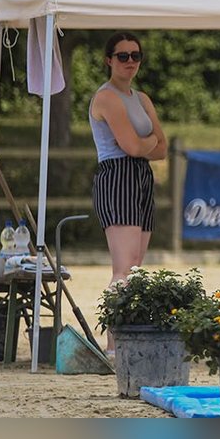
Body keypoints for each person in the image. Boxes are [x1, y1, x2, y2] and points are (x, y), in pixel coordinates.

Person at [89, 32, 167, 355]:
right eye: (123, 56)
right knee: (123, 268)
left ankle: (126, 337)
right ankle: (112, 343)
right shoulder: (106, 97)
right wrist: (144, 145)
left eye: (135, 55)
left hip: (140, 175)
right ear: (109, 60)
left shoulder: (142, 98)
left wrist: (143, 146)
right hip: (117, 174)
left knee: (136, 268)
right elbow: (133, 146)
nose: (130, 62)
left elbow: (160, 149)